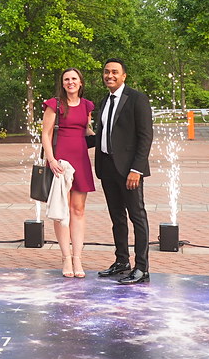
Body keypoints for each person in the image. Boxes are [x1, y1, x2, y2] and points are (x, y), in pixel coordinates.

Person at [88, 58, 154, 285]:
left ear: (124, 75)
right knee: (117, 218)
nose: (110, 76)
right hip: (107, 168)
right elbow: (102, 135)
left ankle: (142, 268)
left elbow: (145, 137)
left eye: (115, 72)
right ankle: (122, 261)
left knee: (137, 217)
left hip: (130, 171)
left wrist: (137, 169)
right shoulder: (104, 101)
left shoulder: (137, 98)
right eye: (106, 72)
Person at [41, 68, 96, 278]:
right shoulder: (54, 105)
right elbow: (46, 134)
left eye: (74, 79)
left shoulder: (87, 105)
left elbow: (86, 130)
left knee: (79, 210)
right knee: (62, 211)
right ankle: (65, 257)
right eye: (66, 79)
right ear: (62, 83)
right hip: (60, 161)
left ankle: (77, 258)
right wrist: (51, 159)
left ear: (80, 82)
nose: (70, 82)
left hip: (81, 160)